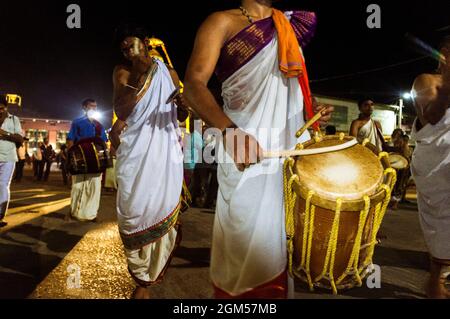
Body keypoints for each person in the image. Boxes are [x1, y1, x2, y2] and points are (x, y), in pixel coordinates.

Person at [184, 0, 332, 298]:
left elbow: (288, 90)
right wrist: (230, 132)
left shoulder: (286, 26)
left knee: (281, 245)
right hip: (244, 150)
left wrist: (310, 108)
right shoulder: (221, 21)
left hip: (286, 155)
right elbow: (193, 85)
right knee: (244, 254)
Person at [110, 26, 188, 299]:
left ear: (144, 42)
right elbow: (122, 108)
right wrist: (142, 72)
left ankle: (144, 283)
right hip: (136, 152)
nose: (126, 49)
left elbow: (180, 115)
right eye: (122, 47)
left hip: (164, 151)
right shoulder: (123, 72)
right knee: (133, 210)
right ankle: (140, 271)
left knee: (162, 206)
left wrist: (182, 105)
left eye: (129, 43)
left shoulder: (169, 72)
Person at [410, 35, 450, 298]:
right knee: (442, 222)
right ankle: (436, 278)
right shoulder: (426, 81)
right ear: (445, 54)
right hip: (435, 162)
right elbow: (431, 116)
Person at [66, 98, 108, 222]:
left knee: (94, 186)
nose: (93, 109)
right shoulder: (77, 122)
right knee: (78, 185)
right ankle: (75, 213)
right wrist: (70, 157)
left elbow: (104, 142)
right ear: (84, 108)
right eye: (91, 106)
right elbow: (70, 140)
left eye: (95, 107)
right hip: (81, 157)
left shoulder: (99, 125)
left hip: (95, 160)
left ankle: (92, 214)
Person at [0, 95, 24, 227]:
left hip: (8, 157)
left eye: (1, 108)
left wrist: (5, 134)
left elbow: (20, 139)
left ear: (6, 107)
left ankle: (0, 216)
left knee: (3, 186)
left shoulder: (14, 119)